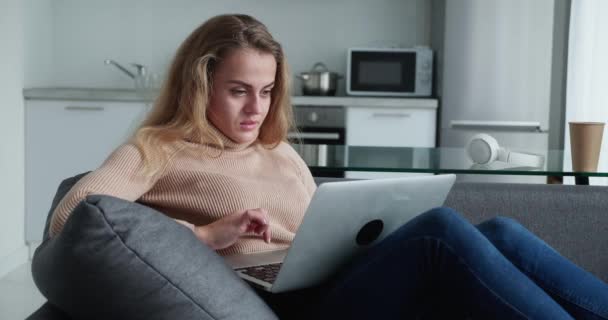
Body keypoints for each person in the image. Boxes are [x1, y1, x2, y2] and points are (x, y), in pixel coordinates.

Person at [49, 13, 608, 319]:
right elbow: (76, 214)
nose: (256, 109)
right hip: (306, 307)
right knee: (439, 232)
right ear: (199, 84)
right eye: (239, 91)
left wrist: (301, 237)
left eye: (267, 92)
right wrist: (203, 234)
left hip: (330, 277)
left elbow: (313, 233)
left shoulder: (277, 148)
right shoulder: (157, 148)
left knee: (502, 232)